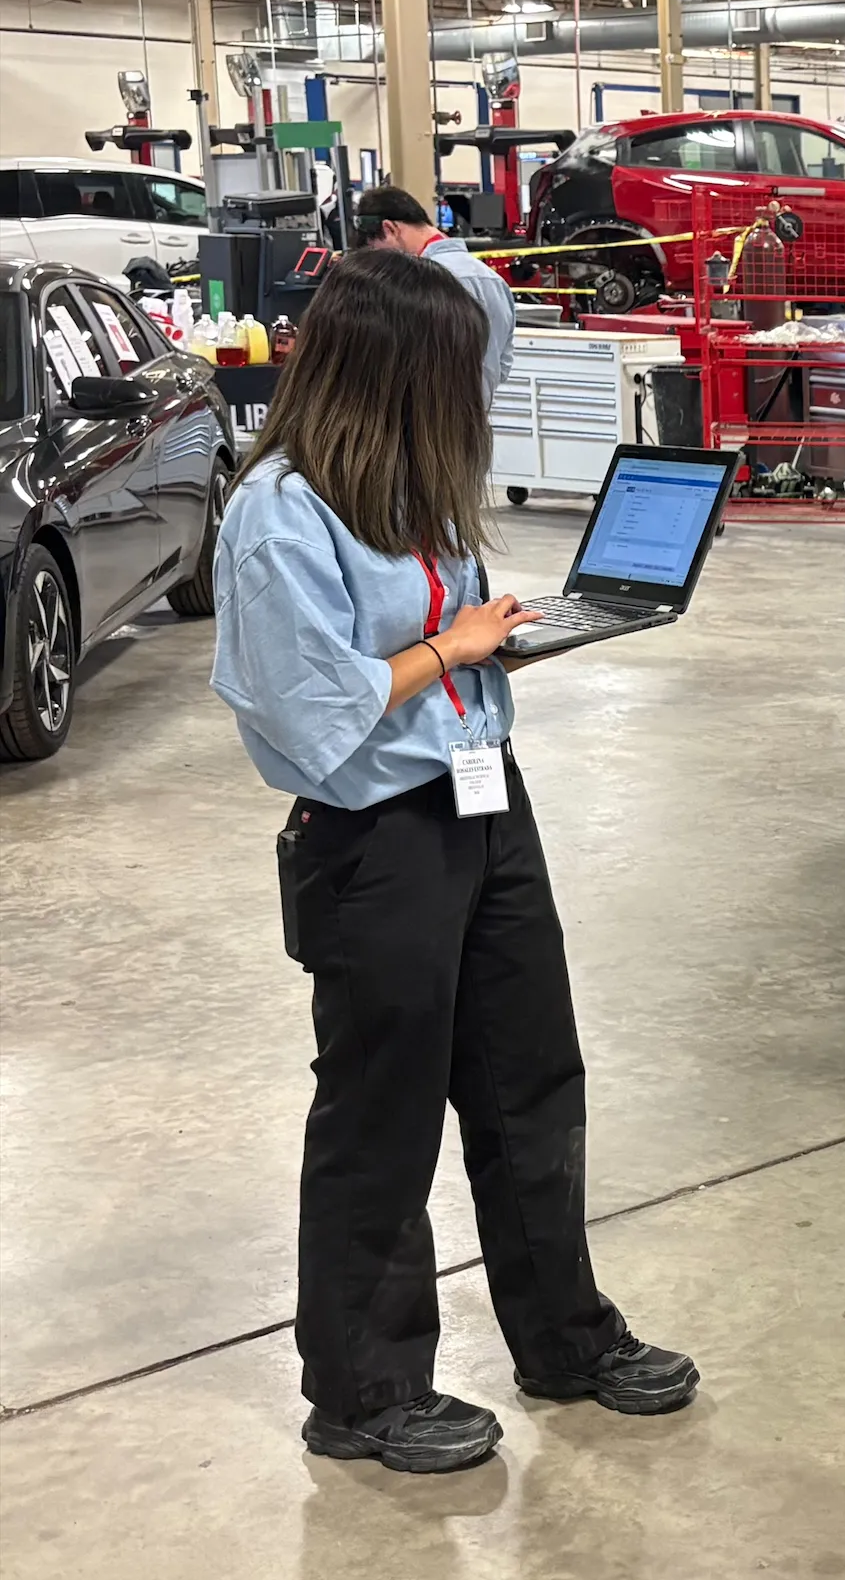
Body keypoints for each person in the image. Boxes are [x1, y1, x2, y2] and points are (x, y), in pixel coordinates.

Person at [209, 250, 697, 1474]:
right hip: (375, 842)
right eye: (456, 374)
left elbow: (432, 645)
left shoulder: (407, 492)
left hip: (485, 803)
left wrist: (499, 643)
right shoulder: (279, 515)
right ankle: (365, 1391)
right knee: (381, 1110)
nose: (476, 398)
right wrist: (450, 644)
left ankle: (564, 1337)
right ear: (394, 376)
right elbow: (316, 715)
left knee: (532, 1077)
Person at [353, 183, 517, 401]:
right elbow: (503, 365)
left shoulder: (415, 286)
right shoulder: (494, 281)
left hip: (423, 426)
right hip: (476, 423)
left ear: (389, 229)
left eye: (376, 251)